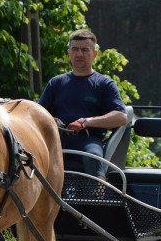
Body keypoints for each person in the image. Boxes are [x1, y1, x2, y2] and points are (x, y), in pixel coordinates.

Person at [38, 29, 127, 179]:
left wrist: (86, 121)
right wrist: (51, 120)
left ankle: (96, 197)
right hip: (57, 139)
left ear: (94, 54)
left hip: (89, 141)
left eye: (85, 50)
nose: (79, 54)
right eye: (75, 49)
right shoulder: (56, 83)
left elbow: (121, 117)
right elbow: (38, 113)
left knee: (93, 157)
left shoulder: (105, 84)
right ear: (69, 53)